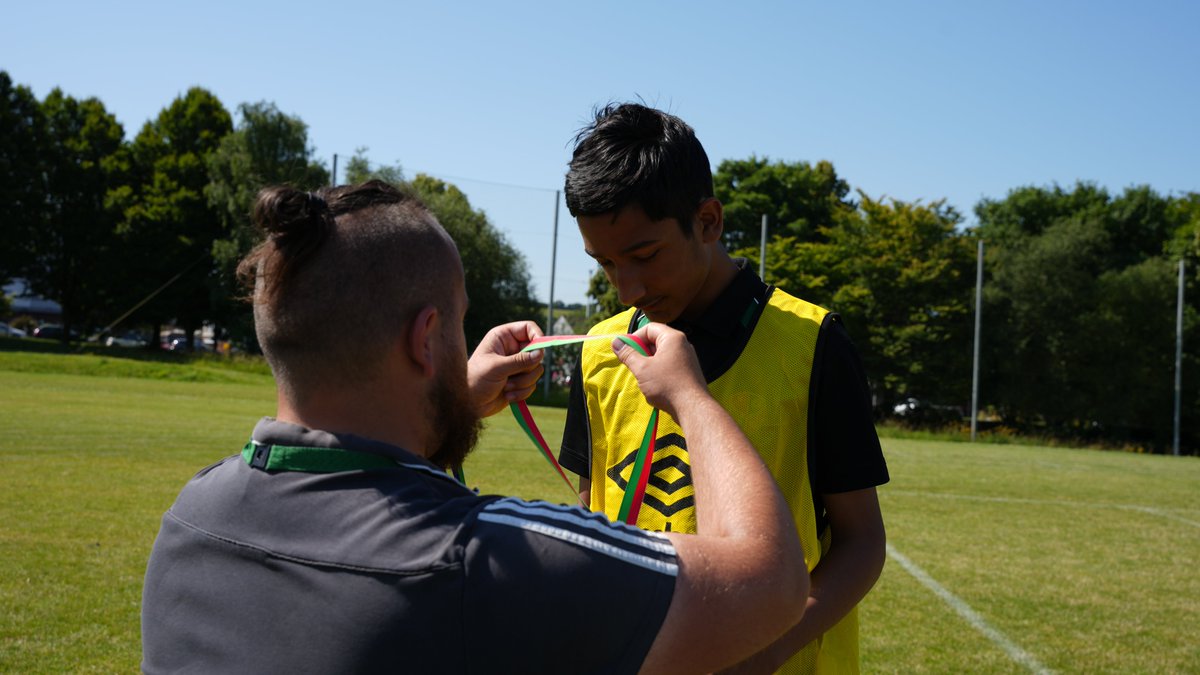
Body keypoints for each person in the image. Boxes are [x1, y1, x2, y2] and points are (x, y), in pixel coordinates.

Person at [140, 180, 810, 674]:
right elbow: (769, 585)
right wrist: (692, 398)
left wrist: (449, 401)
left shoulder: (191, 518)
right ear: (426, 339)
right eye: (461, 322)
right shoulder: (486, 557)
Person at [558, 103, 890, 674]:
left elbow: (862, 545)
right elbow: (596, 515)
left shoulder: (813, 345)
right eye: (606, 263)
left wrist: (768, 645)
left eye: (644, 256)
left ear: (708, 221)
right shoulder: (600, 352)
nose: (627, 286)